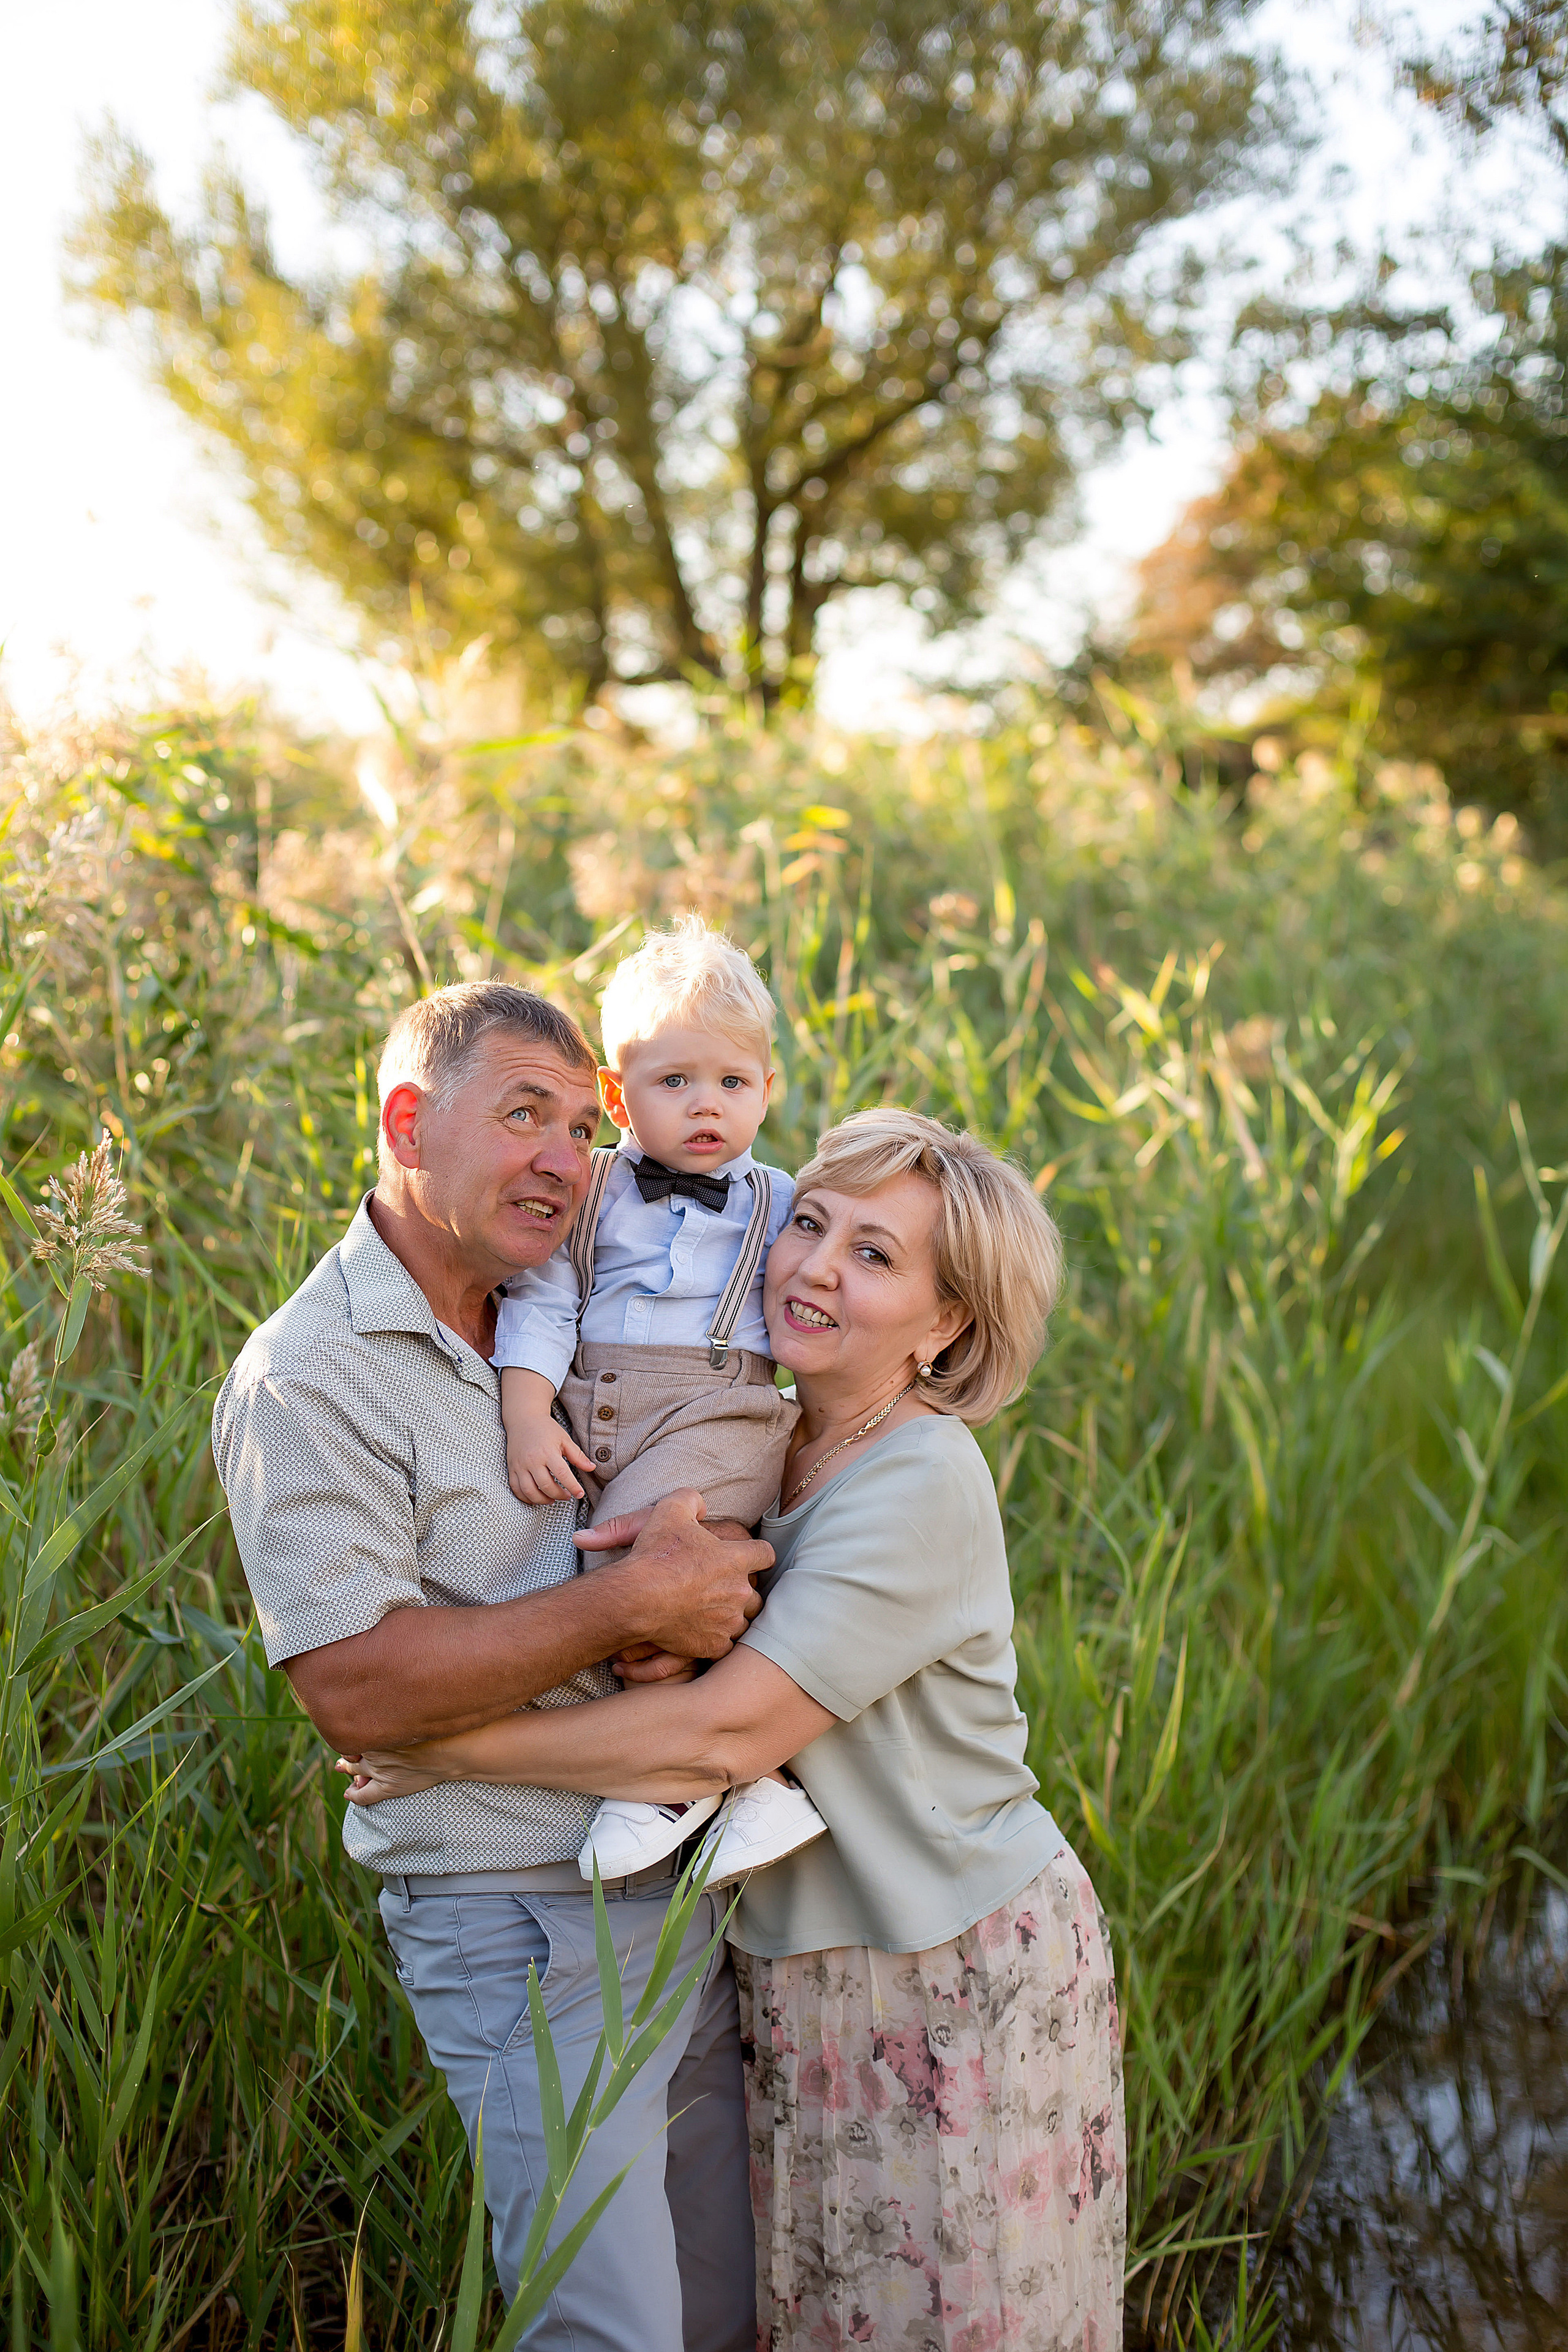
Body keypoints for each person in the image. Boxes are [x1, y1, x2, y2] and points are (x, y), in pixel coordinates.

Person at [342, 1107, 1128, 2350]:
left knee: (938, 2322)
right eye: (809, 1223)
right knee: (813, 2315)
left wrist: (442, 1745)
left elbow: (718, 1738)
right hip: (793, 1969)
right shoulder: (769, 1440)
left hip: (943, 1964)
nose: (813, 1267)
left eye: (875, 1255)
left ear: (945, 1324)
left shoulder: (922, 1478)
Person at [211, 981, 767, 2352]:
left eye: (580, 1125)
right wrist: (630, 1603)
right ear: (408, 1123)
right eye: (523, 1114)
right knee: (609, 2329)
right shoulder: (310, 1376)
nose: (563, 1160)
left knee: (727, 2314)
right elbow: (354, 1687)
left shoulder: (576, 1292)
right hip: (516, 1912)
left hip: (687, 1885)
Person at [494, 917, 826, 1885]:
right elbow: (544, 1304)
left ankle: (668, 1787)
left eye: (732, 1083)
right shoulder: (591, 1191)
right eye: (674, 1081)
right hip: (592, 1412)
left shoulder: (780, 1201)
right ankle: (750, 1785)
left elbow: (818, 1305)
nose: (706, 1104)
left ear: (768, 1089)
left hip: (718, 1416)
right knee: (591, 1588)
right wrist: (525, 1415)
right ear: (617, 1095)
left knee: (657, 1567)